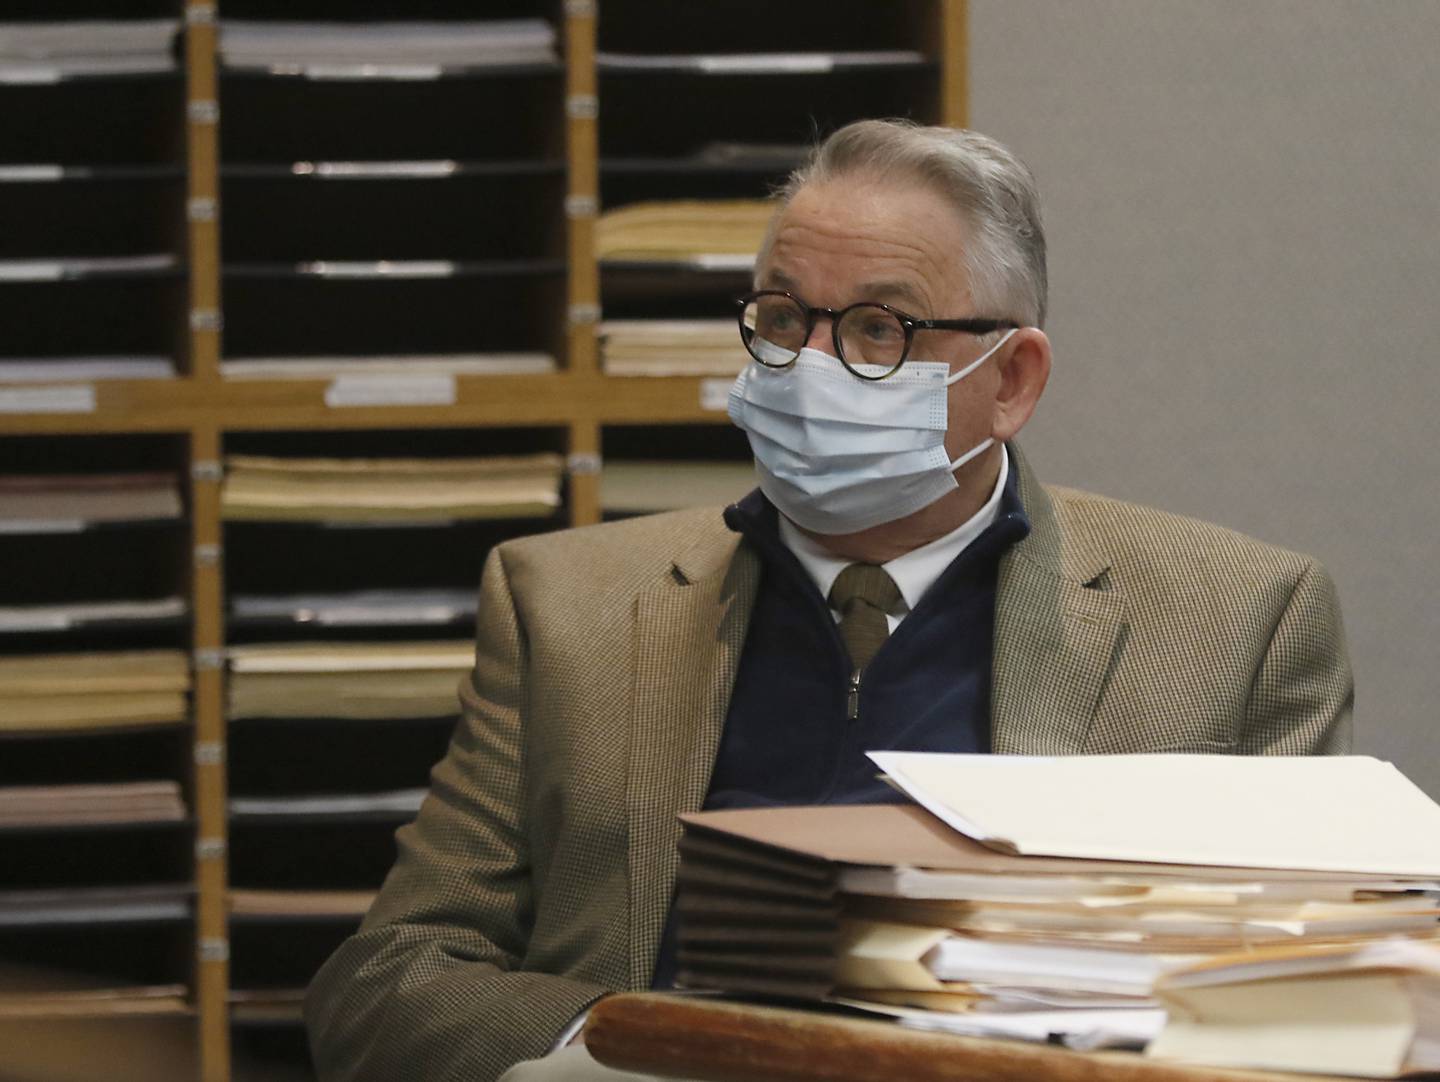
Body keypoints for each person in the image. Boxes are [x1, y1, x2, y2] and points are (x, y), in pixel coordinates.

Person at [305, 120, 1352, 1082]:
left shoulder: (1235, 623)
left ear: (1012, 378)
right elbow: (391, 977)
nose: (809, 364)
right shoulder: (565, 608)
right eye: (782, 315)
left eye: (876, 328)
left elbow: (1294, 1019)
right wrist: (622, 1041)